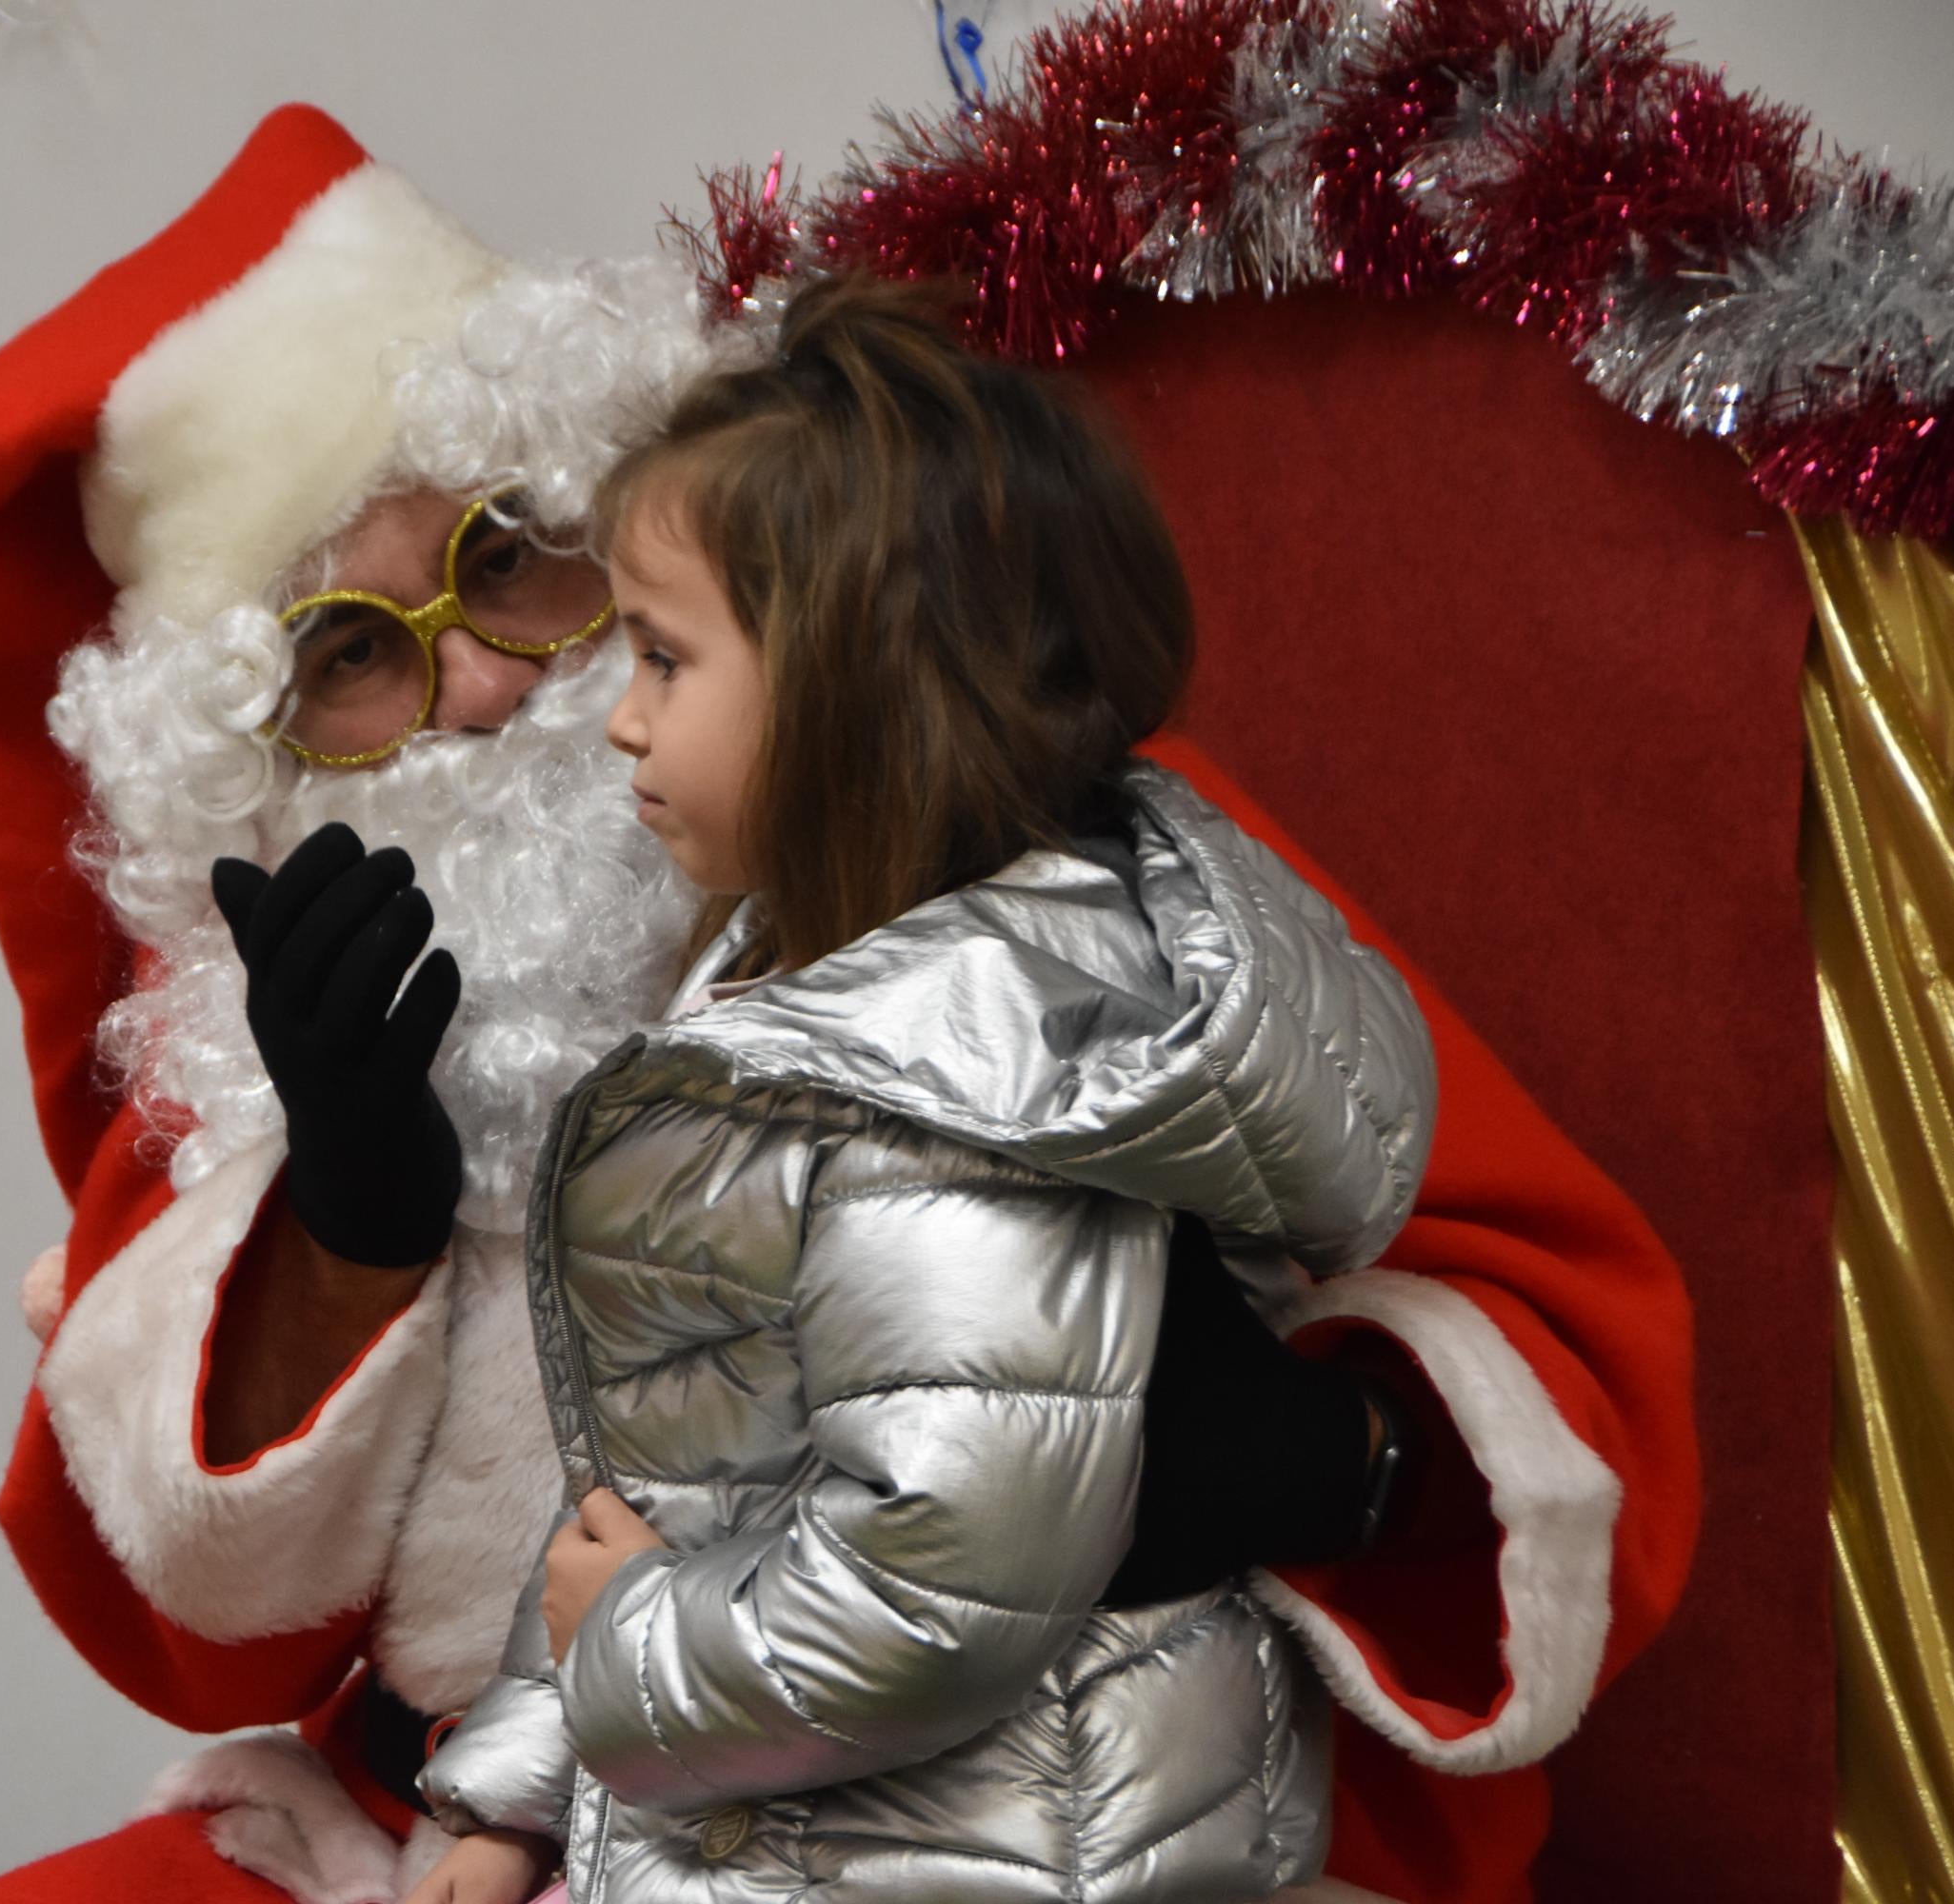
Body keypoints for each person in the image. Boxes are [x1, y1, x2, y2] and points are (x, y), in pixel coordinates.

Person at [0, 106, 1696, 1904]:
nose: (486, 692)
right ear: (257, 759)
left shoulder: (1021, 854)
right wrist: (345, 1233)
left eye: (511, 561)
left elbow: (1527, 1316)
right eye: (351, 656)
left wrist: (1311, 1456)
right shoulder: (263, 1044)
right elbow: (224, 1625)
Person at [402, 276, 1429, 1904]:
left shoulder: (974, 1094)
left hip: (991, 1848)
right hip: (801, 1817)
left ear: (853, 688)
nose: (619, 716)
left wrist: (627, 1653)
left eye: (667, 657)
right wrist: (513, 1794)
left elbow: (933, 1597)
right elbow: (683, 1478)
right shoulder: (793, 998)